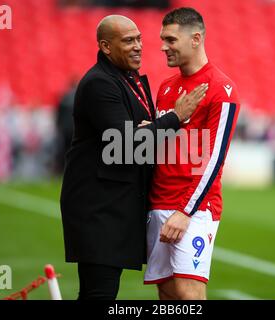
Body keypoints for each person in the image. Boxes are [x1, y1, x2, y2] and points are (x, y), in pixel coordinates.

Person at [60, 14, 208, 300]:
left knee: (98, 293)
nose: (139, 46)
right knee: (99, 294)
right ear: (105, 46)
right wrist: (176, 117)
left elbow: (138, 142)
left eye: (139, 38)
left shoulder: (124, 79)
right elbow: (126, 147)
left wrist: (146, 132)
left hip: (114, 207)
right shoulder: (99, 84)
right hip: (98, 209)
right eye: (128, 41)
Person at [144, 8, 240, 300]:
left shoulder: (221, 90)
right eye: (163, 39)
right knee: (168, 293)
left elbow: (214, 159)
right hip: (158, 203)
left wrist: (186, 212)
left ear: (196, 38)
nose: (163, 46)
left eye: (171, 40)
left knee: (189, 293)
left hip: (194, 208)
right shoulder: (165, 87)